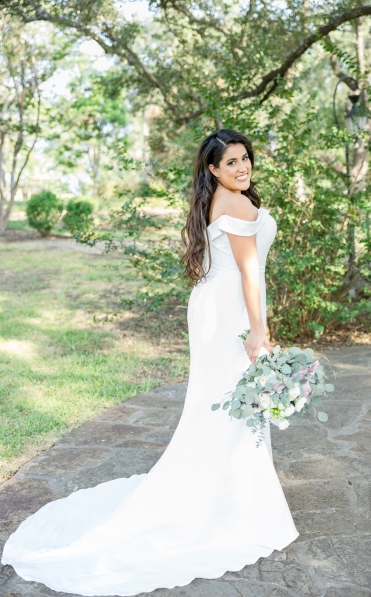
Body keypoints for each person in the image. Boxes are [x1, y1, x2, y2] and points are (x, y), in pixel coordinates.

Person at [1, 129, 298, 596]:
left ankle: (227, 493)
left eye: (246, 159)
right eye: (232, 162)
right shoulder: (237, 204)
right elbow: (248, 272)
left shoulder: (223, 198)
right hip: (229, 315)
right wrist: (259, 331)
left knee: (224, 406)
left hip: (218, 308)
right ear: (213, 170)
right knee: (230, 405)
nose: (243, 168)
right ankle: (230, 506)